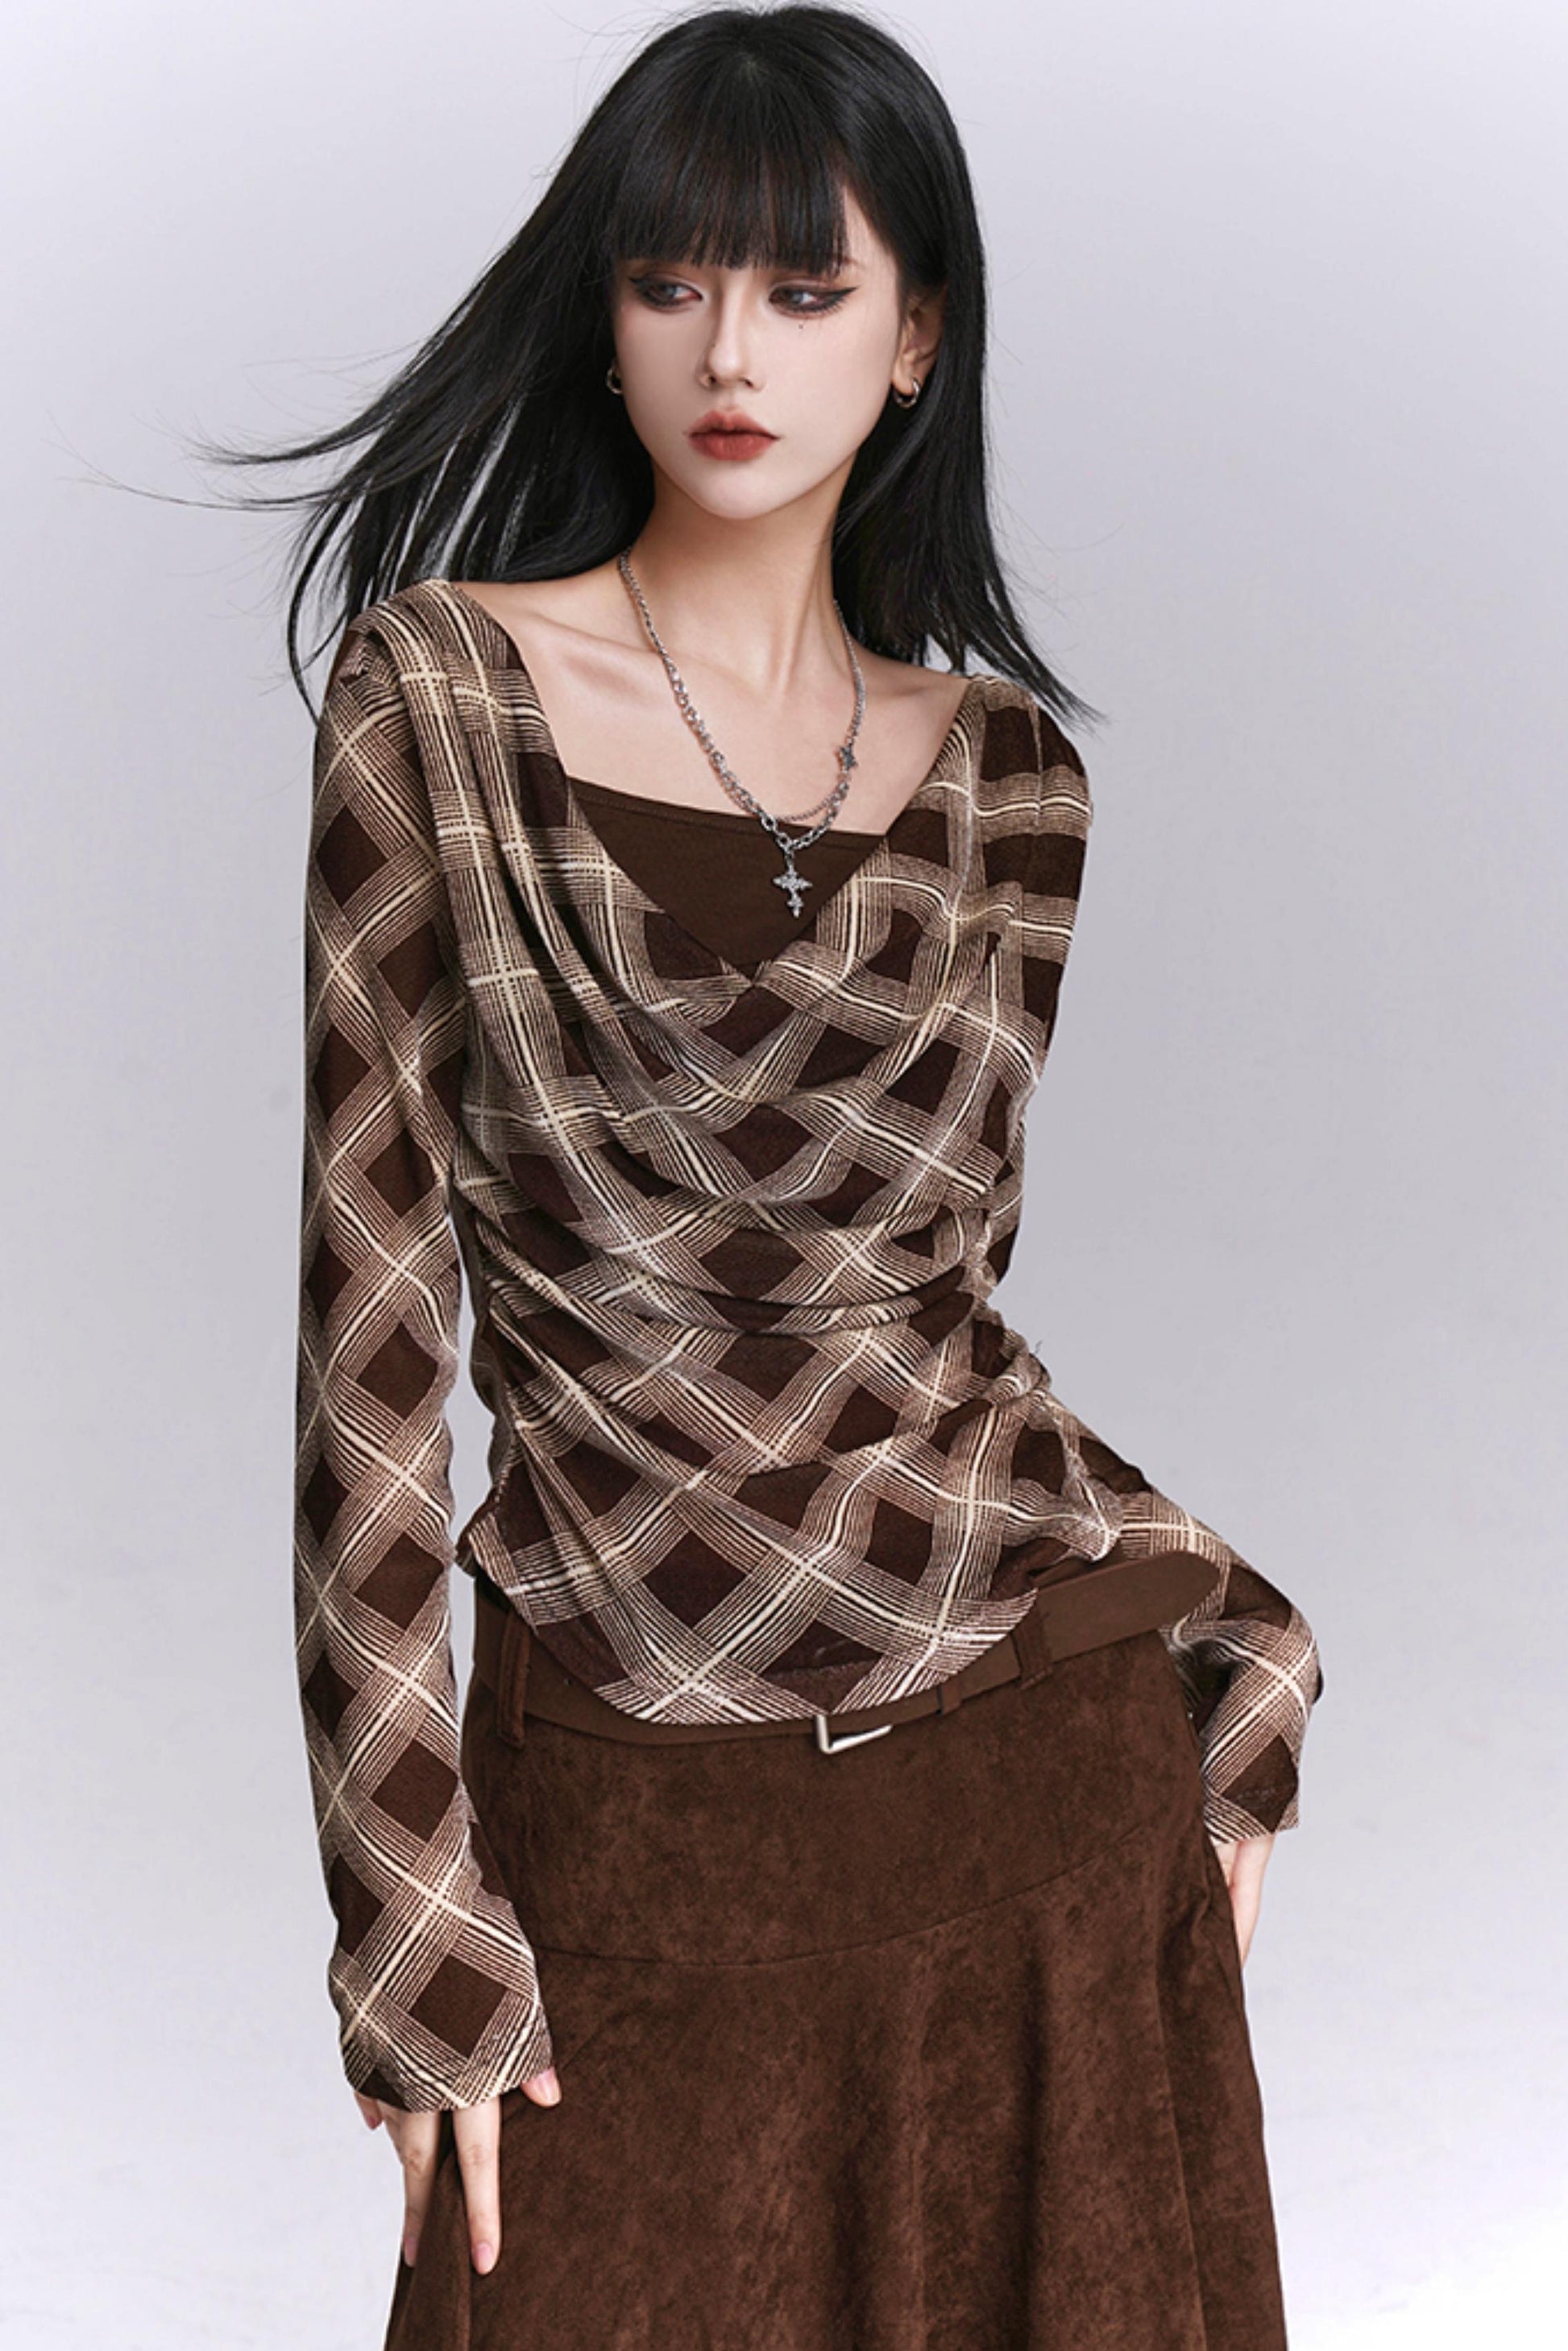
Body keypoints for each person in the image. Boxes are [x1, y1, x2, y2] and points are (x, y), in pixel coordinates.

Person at [249, 6, 1325, 2341]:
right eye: (671, 282)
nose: (729, 350)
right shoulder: (436, 704)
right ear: (605, 316)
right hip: (634, 1817)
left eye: (804, 290)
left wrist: (1229, 1617)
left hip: (1030, 1802)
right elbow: (371, 1344)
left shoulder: (1013, 786)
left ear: (915, 333)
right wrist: (406, 1908)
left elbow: (916, 1336)